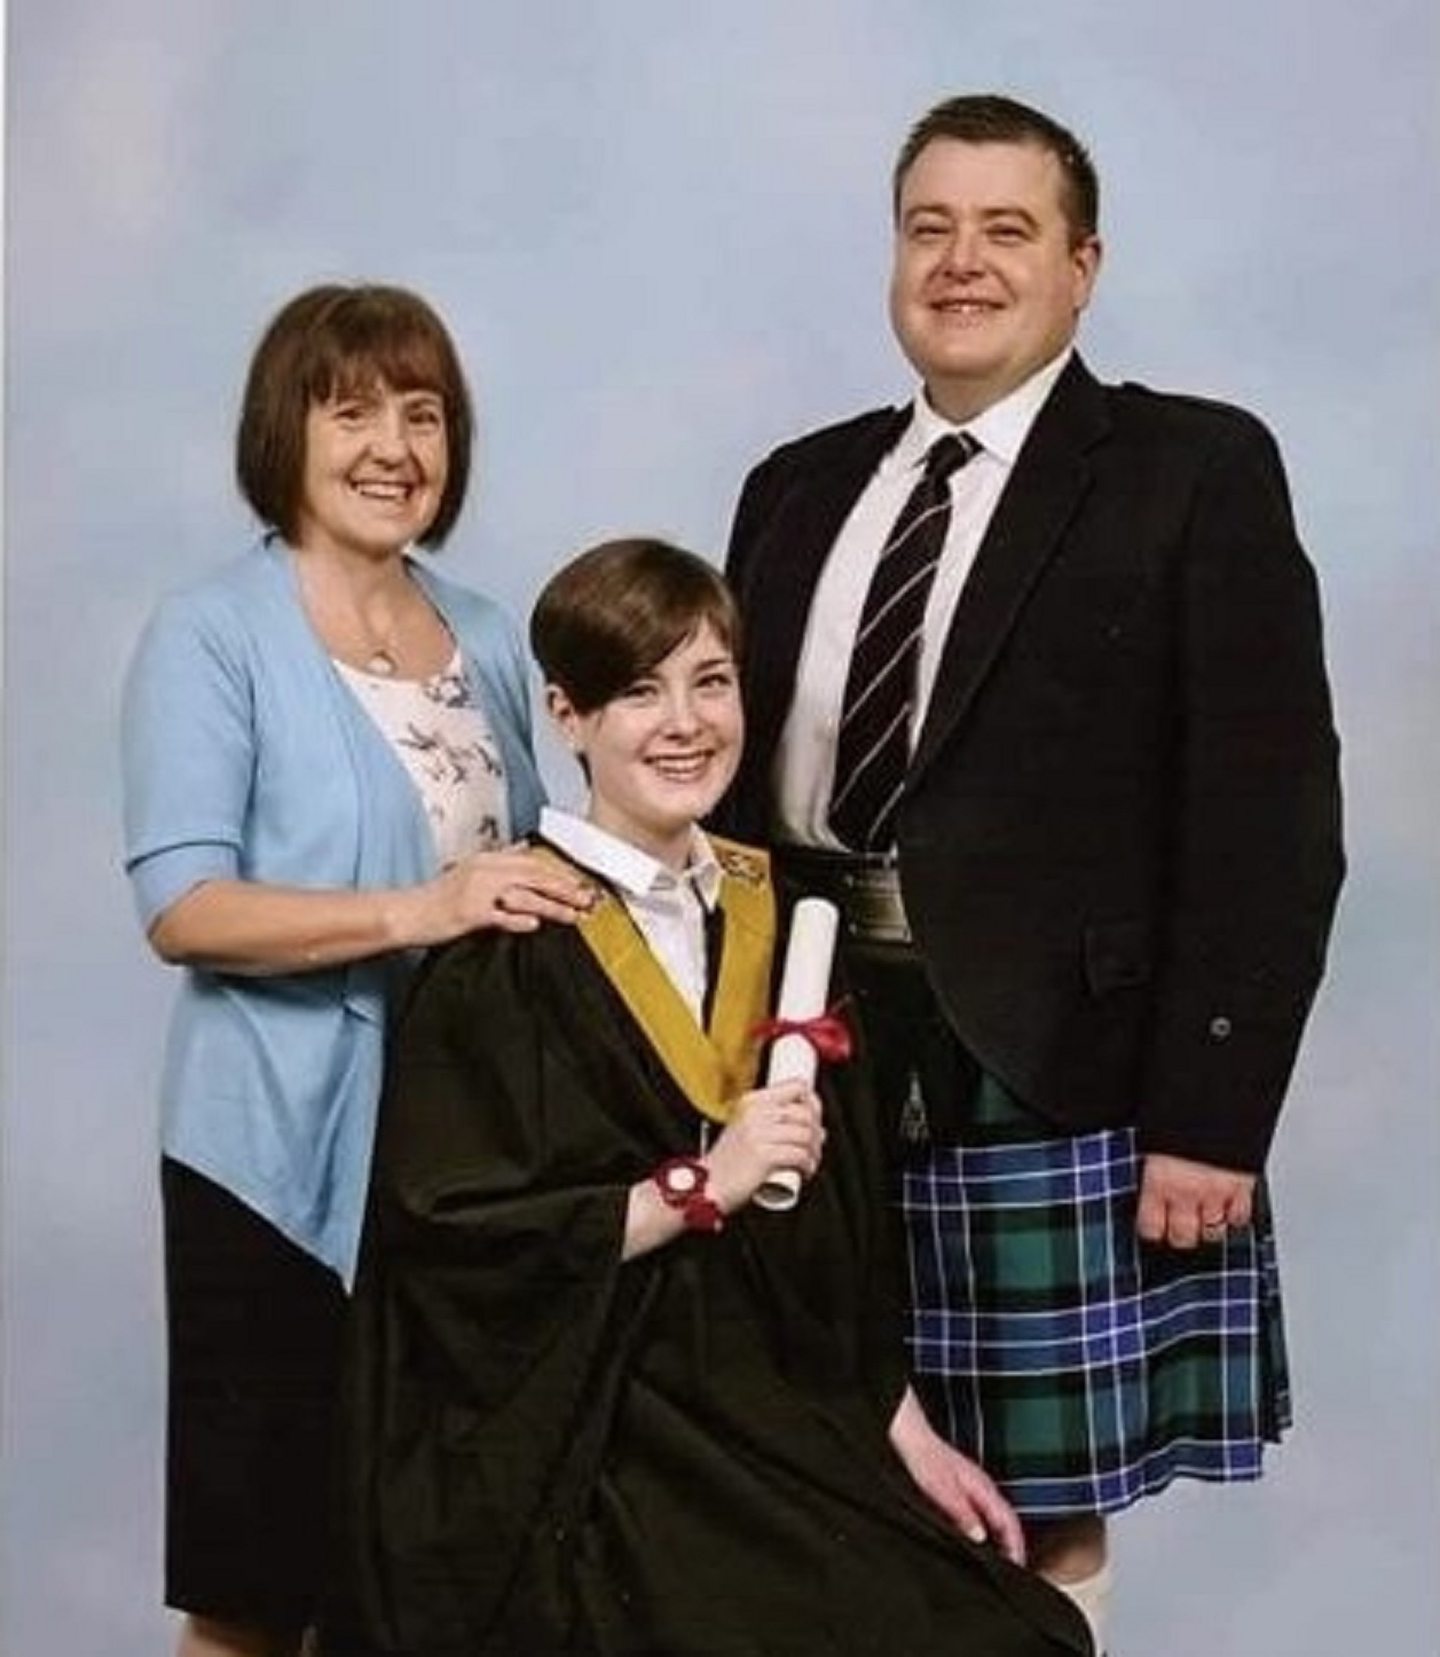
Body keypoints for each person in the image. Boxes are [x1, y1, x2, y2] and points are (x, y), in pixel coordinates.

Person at [721, 94, 1344, 1653]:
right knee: (812, 1454)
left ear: (1083, 266)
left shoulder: (1191, 469)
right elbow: (726, 783)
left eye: (1007, 229)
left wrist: (1213, 1114)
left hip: (1055, 1066)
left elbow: (1270, 820)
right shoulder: (798, 485)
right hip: (804, 1035)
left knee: (1035, 1496)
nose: (961, 262)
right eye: (929, 225)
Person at [320, 538, 1090, 1656]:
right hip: (594, 1436)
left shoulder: (784, 923)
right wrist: (700, 1184)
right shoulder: (511, 950)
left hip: (776, 1414)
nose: (685, 722)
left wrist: (903, 1427)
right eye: (639, 689)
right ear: (567, 714)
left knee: (1022, 1636)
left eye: (710, 681)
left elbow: (845, 1228)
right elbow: (450, 1246)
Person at [121, 282, 592, 1657]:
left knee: (428, 1561)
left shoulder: (490, 635)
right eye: (354, 412)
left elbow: (532, 868)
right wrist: (417, 911)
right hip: (270, 1164)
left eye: (424, 413)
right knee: (259, 1582)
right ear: (289, 431)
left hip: (463, 1167)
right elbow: (183, 906)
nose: (394, 446)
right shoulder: (213, 632)